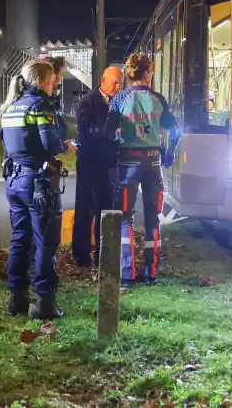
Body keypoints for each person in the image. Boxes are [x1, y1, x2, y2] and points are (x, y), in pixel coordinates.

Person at [0, 60, 74, 319]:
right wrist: (65, 146)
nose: (55, 82)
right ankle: (45, 304)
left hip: (14, 181)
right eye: (53, 78)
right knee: (45, 242)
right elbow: (50, 143)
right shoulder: (40, 106)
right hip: (38, 183)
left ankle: (17, 298)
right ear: (43, 79)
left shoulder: (11, 107)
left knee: (20, 239)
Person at [104, 53, 180, 288]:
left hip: (128, 164)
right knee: (152, 218)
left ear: (128, 74)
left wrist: (118, 142)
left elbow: (107, 132)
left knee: (126, 218)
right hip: (153, 163)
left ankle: (127, 275)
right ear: (148, 73)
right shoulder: (158, 99)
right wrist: (169, 152)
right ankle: (152, 272)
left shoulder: (120, 99)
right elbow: (175, 130)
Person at [73, 66, 123, 270]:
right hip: (90, 164)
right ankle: (81, 257)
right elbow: (86, 131)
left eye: (120, 83)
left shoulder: (119, 102)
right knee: (86, 211)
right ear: (103, 80)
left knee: (106, 211)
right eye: (115, 82)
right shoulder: (87, 102)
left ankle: (103, 255)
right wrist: (110, 132)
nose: (118, 87)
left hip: (110, 165)